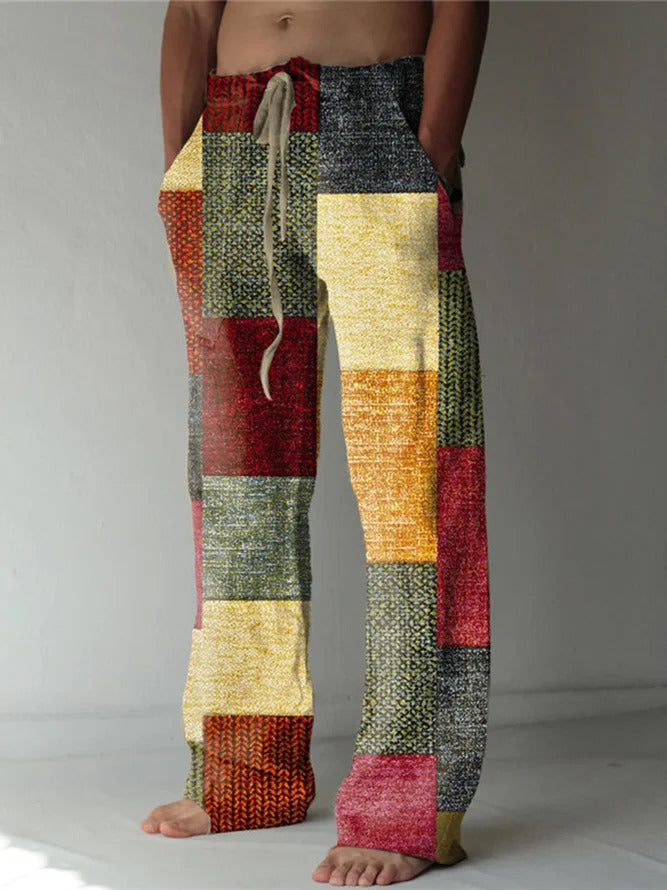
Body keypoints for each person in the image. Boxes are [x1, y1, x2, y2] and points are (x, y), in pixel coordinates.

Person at [143, 1, 490, 886]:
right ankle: (243, 776)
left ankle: (410, 804)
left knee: (416, 479)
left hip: (380, 126)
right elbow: (193, 8)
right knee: (238, 484)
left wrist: (430, 145)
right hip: (230, 139)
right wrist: (183, 155)